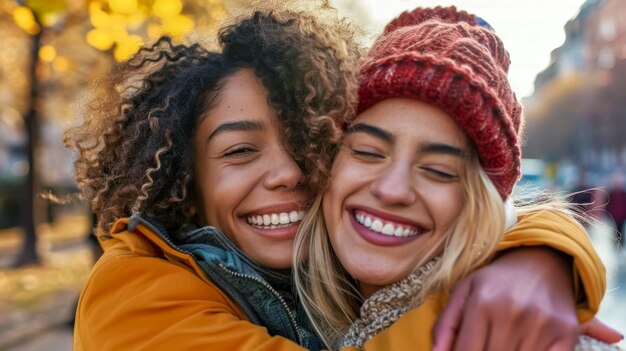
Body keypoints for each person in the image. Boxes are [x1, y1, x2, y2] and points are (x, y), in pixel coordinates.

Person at [66, 5, 613, 351]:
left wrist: (532, 253)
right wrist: (506, 280)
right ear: (186, 180)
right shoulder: (131, 295)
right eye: (239, 150)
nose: (288, 173)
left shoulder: (336, 275)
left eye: (308, 141)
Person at [293, 6, 623, 351]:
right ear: (325, 162)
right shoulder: (266, 302)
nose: (392, 190)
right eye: (367, 152)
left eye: (439, 171)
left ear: (480, 200)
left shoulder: (536, 338)